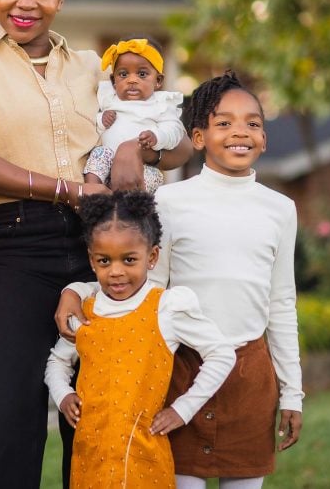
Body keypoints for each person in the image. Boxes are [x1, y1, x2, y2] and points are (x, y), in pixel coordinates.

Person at [0, 0, 194, 488]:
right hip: (19, 246)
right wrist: (66, 190)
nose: (26, 3)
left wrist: (134, 147)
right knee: (3, 414)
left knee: (102, 413)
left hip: (98, 252)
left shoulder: (88, 69)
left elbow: (177, 146)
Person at [57, 71, 304, 489]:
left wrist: (292, 391)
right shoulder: (170, 202)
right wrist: (76, 291)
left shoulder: (280, 209)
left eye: (253, 123)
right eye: (223, 123)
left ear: (264, 138)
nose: (239, 132)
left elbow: (281, 303)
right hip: (180, 371)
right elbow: (139, 286)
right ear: (199, 136)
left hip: (249, 376)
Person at [45, 190, 235, 488]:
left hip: (143, 455)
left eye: (129, 259)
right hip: (91, 455)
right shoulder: (85, 312)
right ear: (91, 260)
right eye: (104, 261)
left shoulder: (167, 307)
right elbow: (57, 361)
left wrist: (181, 410)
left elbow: (222, 354)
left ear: (152, 257)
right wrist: (63, 395)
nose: (116, 272)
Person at [84, 38, 186, 194]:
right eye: (123, 74)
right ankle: (94, 192)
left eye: (142, 74)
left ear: (158, 81)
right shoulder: (108, 99)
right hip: (108, 159)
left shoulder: (161, 104)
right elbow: (90, 124)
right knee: (98, 153)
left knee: (154, 175)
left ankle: (134, 202)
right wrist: (101, 119)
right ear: (113, 81)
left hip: (139, 165)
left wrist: (157, 136)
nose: (132, 80)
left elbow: (175, 130)